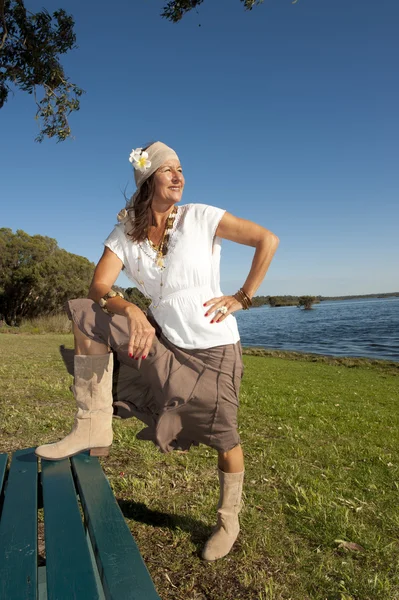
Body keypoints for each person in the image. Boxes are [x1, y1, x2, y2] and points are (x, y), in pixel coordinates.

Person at [35, 141, 279, 561]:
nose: (179, 176)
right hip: (162, 342)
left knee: (224, 439)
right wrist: (130, 308)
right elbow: (98, 287)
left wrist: (243, 296)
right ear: (149, 180)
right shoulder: (126, 232)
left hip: (215, 348)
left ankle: (228, 519)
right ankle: (92, 424)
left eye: (181, 169)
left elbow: (266, 240)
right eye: (169, 170)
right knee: (86, 314)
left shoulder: (200, 217)